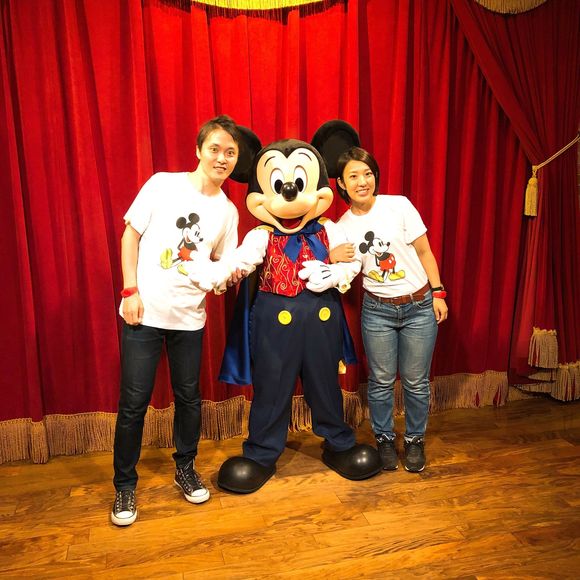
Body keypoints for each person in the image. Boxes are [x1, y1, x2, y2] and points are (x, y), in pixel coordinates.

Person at [111, 115, 242, 526]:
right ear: (199, 149)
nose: (222, 158)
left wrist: (226, 278)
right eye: (215, 149)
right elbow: (130, 235)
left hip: (190, 319)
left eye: (231, 153)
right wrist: (130, 291)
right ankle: (124, 485)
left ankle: (185, 467)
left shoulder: (228, 211)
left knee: (189, 398)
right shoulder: (162, 184)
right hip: (144, 313)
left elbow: (223, 266)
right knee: (134, 403)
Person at [330, 146, 448, 473]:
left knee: (416, 381)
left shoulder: (399, 205)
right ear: (341, 183)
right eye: (354, 176)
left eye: (367, 174)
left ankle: (414, 440)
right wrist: (332, 255)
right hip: (378, 311)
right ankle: (383, 438)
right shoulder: (342, 226)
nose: (362, 182)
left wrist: (438, 292)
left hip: (419, 306)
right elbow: (344, 269)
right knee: (381, 381)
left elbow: (424, 252)